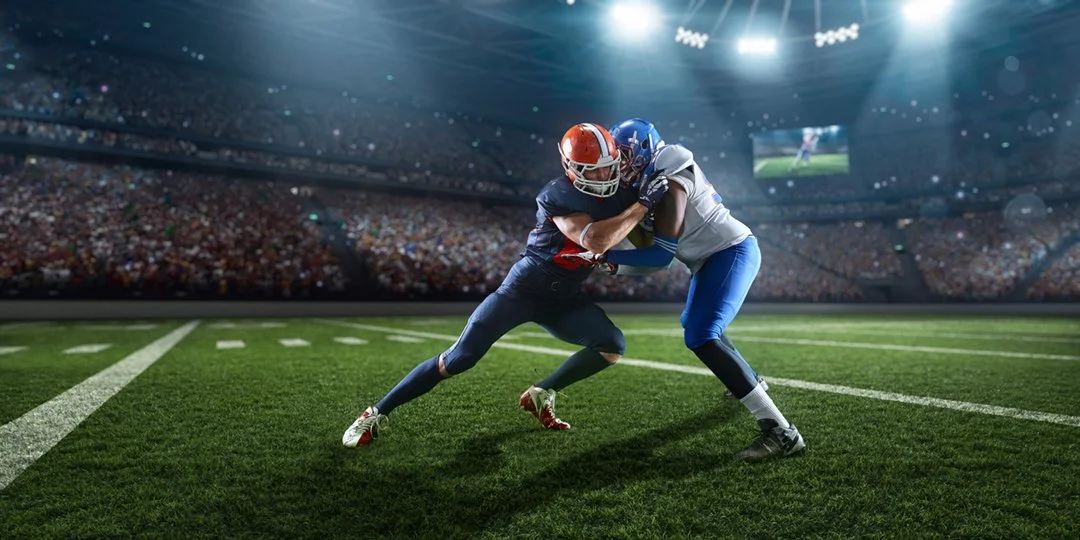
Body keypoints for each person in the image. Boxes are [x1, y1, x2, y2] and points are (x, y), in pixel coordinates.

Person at [342, 122, 670, 447]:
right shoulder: (557, 194)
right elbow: (596, 240)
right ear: (571, 168)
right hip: (523, 290)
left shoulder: (622, 193)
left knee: (611, 344)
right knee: (457, 359)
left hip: (563, 298)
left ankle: (542, 392)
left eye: (608, 167)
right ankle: (374, 413)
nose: (603, 176)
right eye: (593, 170)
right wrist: (642, 205)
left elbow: (651, 230)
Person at [585, 118, 806, 463]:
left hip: (730, 251)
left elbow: (660, 258)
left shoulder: (670, 178)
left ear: (644, 150)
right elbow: (648, 246)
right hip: (709, 258)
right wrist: (617, 247)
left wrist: (609, 258)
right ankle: (752, 381)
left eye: (625, 155)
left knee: (701, 335)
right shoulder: (648, 182)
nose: (620, 164)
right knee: (695, 324)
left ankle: (782, 432)